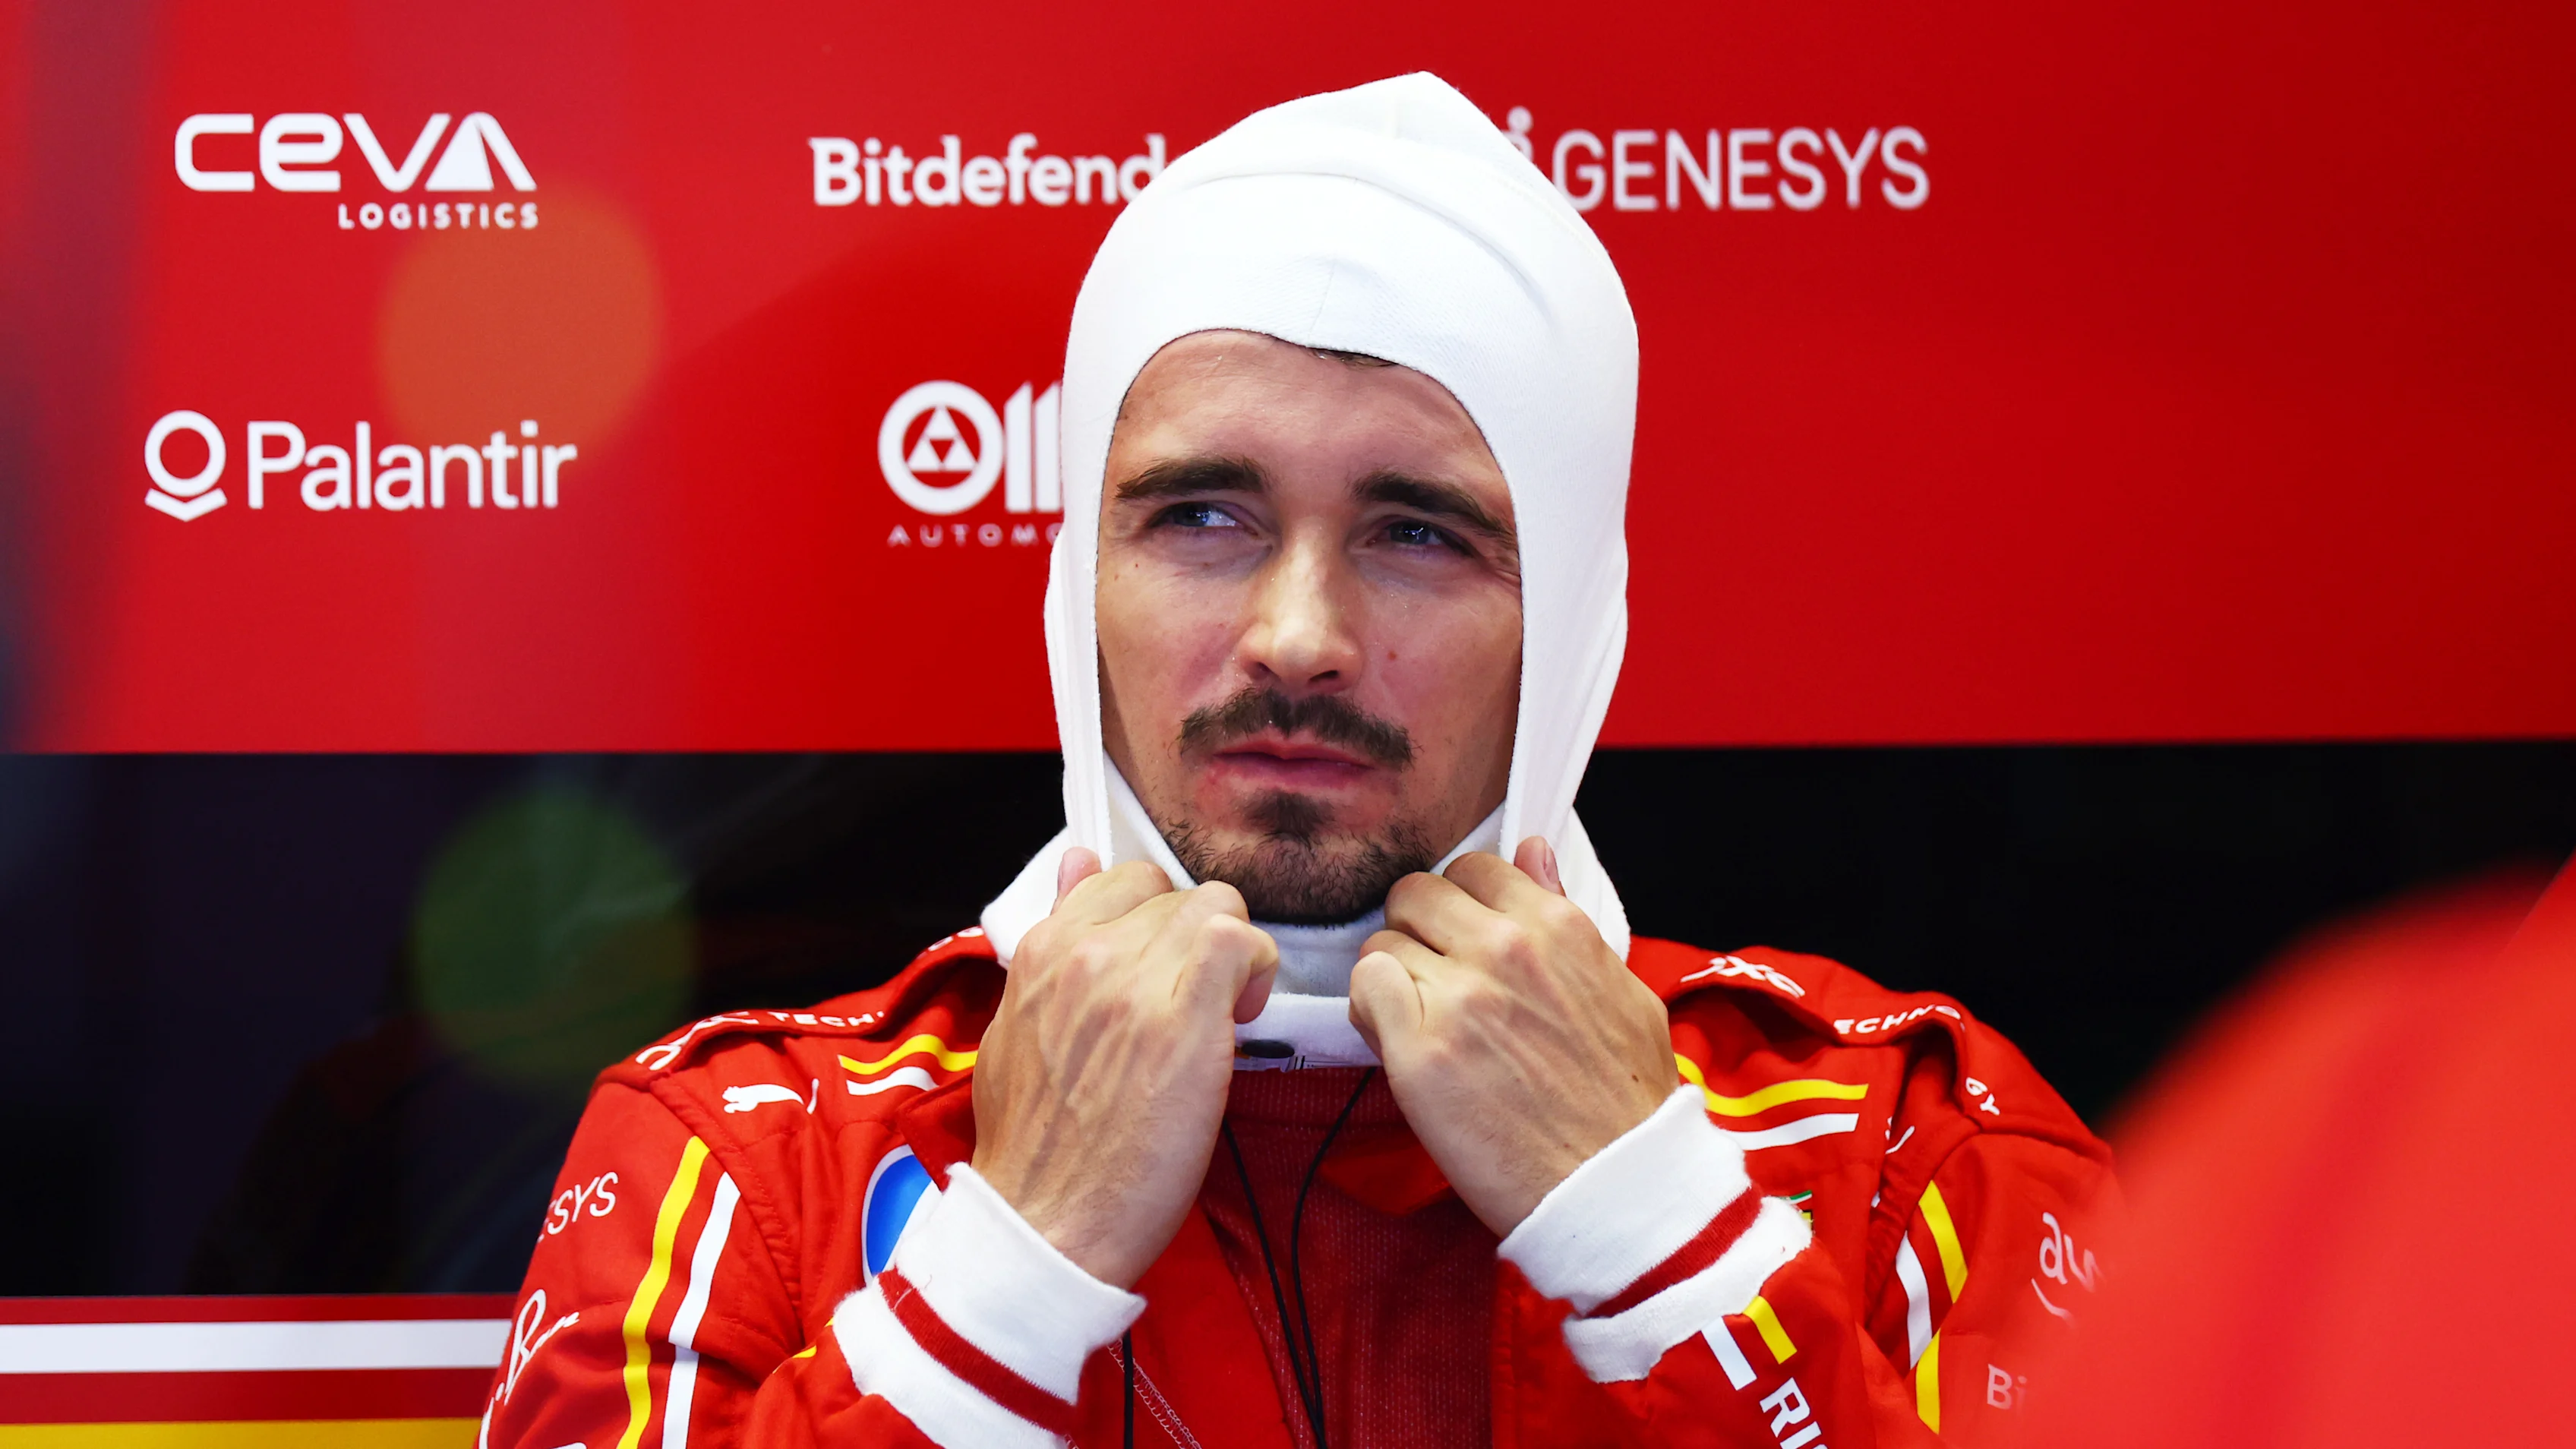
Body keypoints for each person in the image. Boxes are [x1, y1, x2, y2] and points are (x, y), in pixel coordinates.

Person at [482, 74, 2115, 1449]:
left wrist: (1661, 1239)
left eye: (1418, 532)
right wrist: (1002, 1283)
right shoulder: (755, 1155)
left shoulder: (1904, 1149)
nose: (1296, 633)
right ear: (1078, 580)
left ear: (1576, 619)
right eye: (1202, 513)